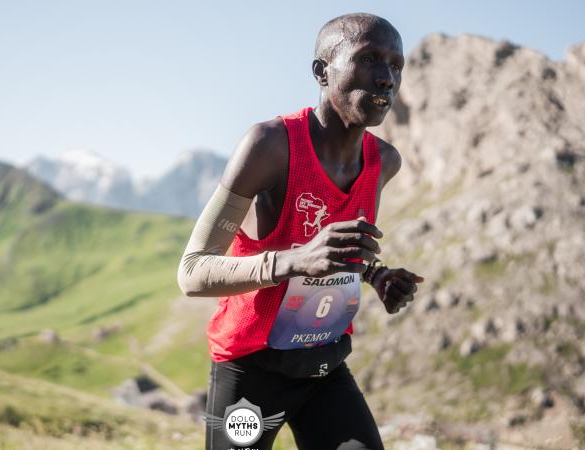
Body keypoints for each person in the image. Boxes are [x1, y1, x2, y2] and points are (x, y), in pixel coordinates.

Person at [177, 12, 424, 450]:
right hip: (251, 369)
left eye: (396, 64)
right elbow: (192, 272)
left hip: (323, 367)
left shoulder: (383, 161)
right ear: (321, 71)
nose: (387, 78)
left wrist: (375, 275)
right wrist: (295, 260)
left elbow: (343, 251)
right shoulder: (269, 145)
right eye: (369, 59)